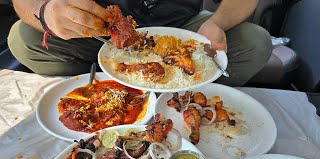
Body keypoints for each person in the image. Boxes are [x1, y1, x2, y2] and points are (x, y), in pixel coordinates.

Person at [8, 0, 272, 87]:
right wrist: (45, 11)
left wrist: (219, 22)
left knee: (256, 42)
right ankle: (105, 88)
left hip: (182, 29)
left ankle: (186, 94)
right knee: (25, 38)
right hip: (97, 32)